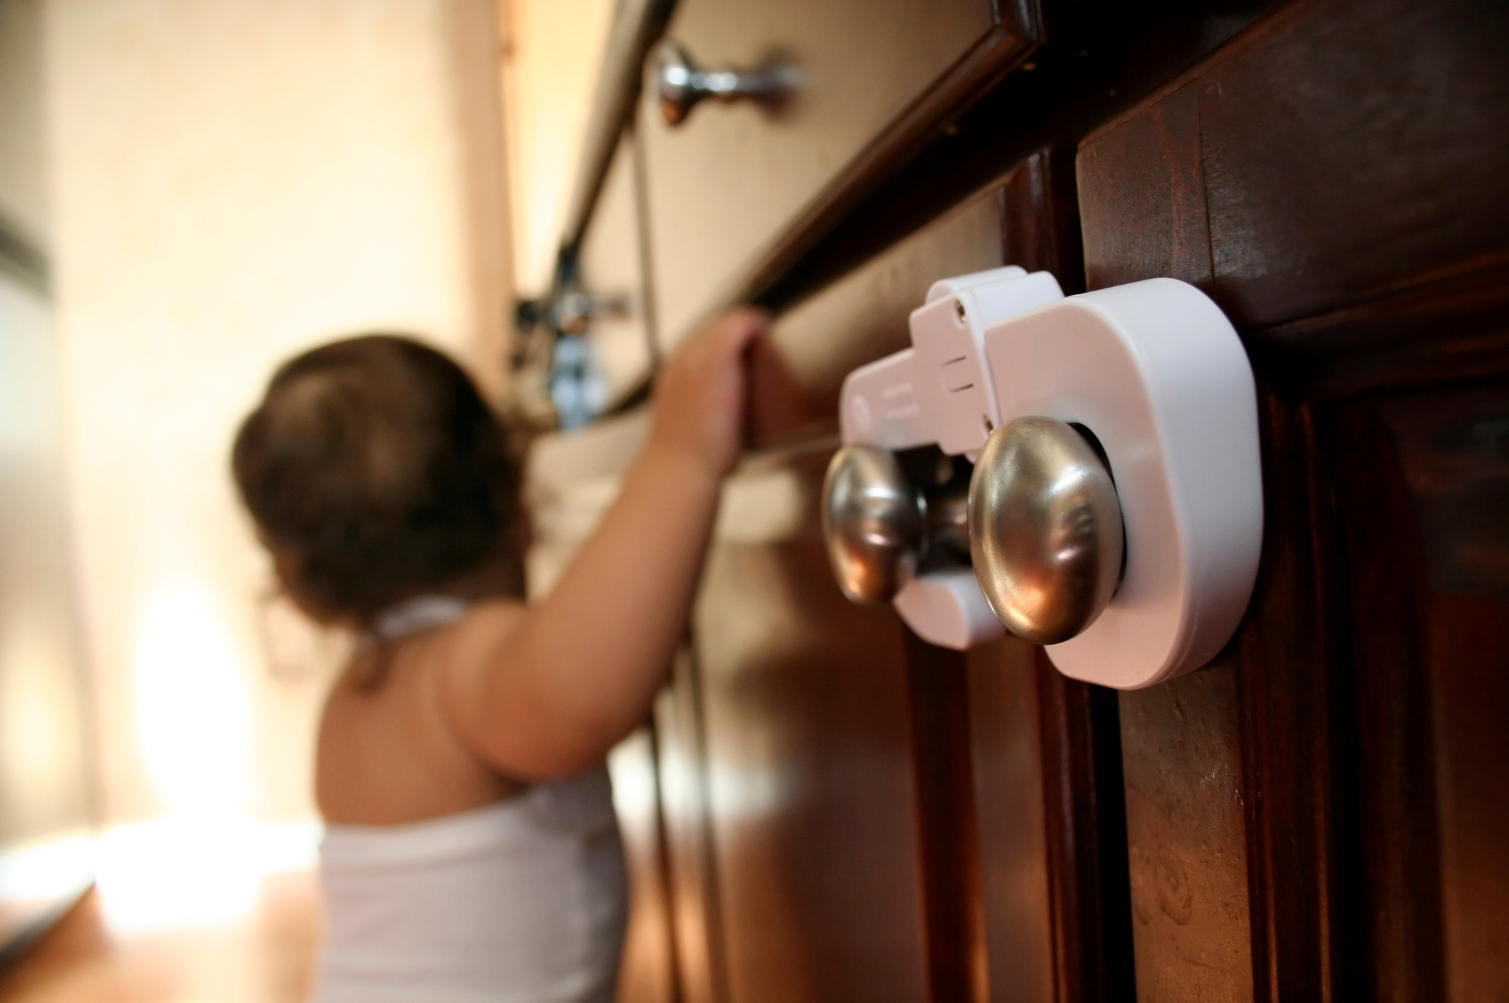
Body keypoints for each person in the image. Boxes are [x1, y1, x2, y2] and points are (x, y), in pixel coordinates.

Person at [232, 309, 766, 1003]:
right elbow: (584, 694)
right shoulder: (459, 671)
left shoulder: (371, 687)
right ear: (515, 499)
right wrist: (680, 454)